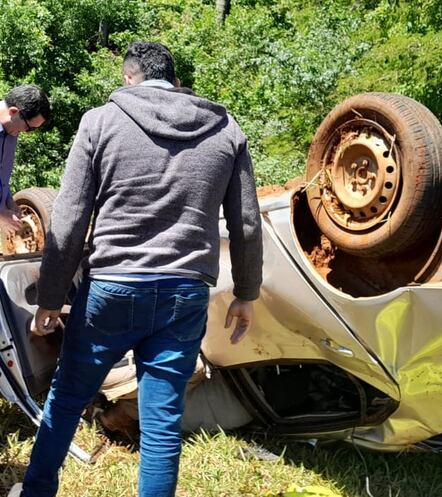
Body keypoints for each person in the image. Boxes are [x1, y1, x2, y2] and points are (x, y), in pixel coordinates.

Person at [10, 41, 262, 497]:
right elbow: (245, 223)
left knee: (66, 399)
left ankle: (36, 492)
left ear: (129, 78)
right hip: (185, 294)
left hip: (111, 289)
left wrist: (50, 299)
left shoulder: (101, 122)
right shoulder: (225, 129)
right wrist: (246, 293)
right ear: (178, 81)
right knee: (162, 424)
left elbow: (67, 220)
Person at [0, 84, 50, 236]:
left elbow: (2, 179)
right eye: (29, 128)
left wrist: (9, 202)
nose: (28, 134)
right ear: (14, 112)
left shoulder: (11, 132)